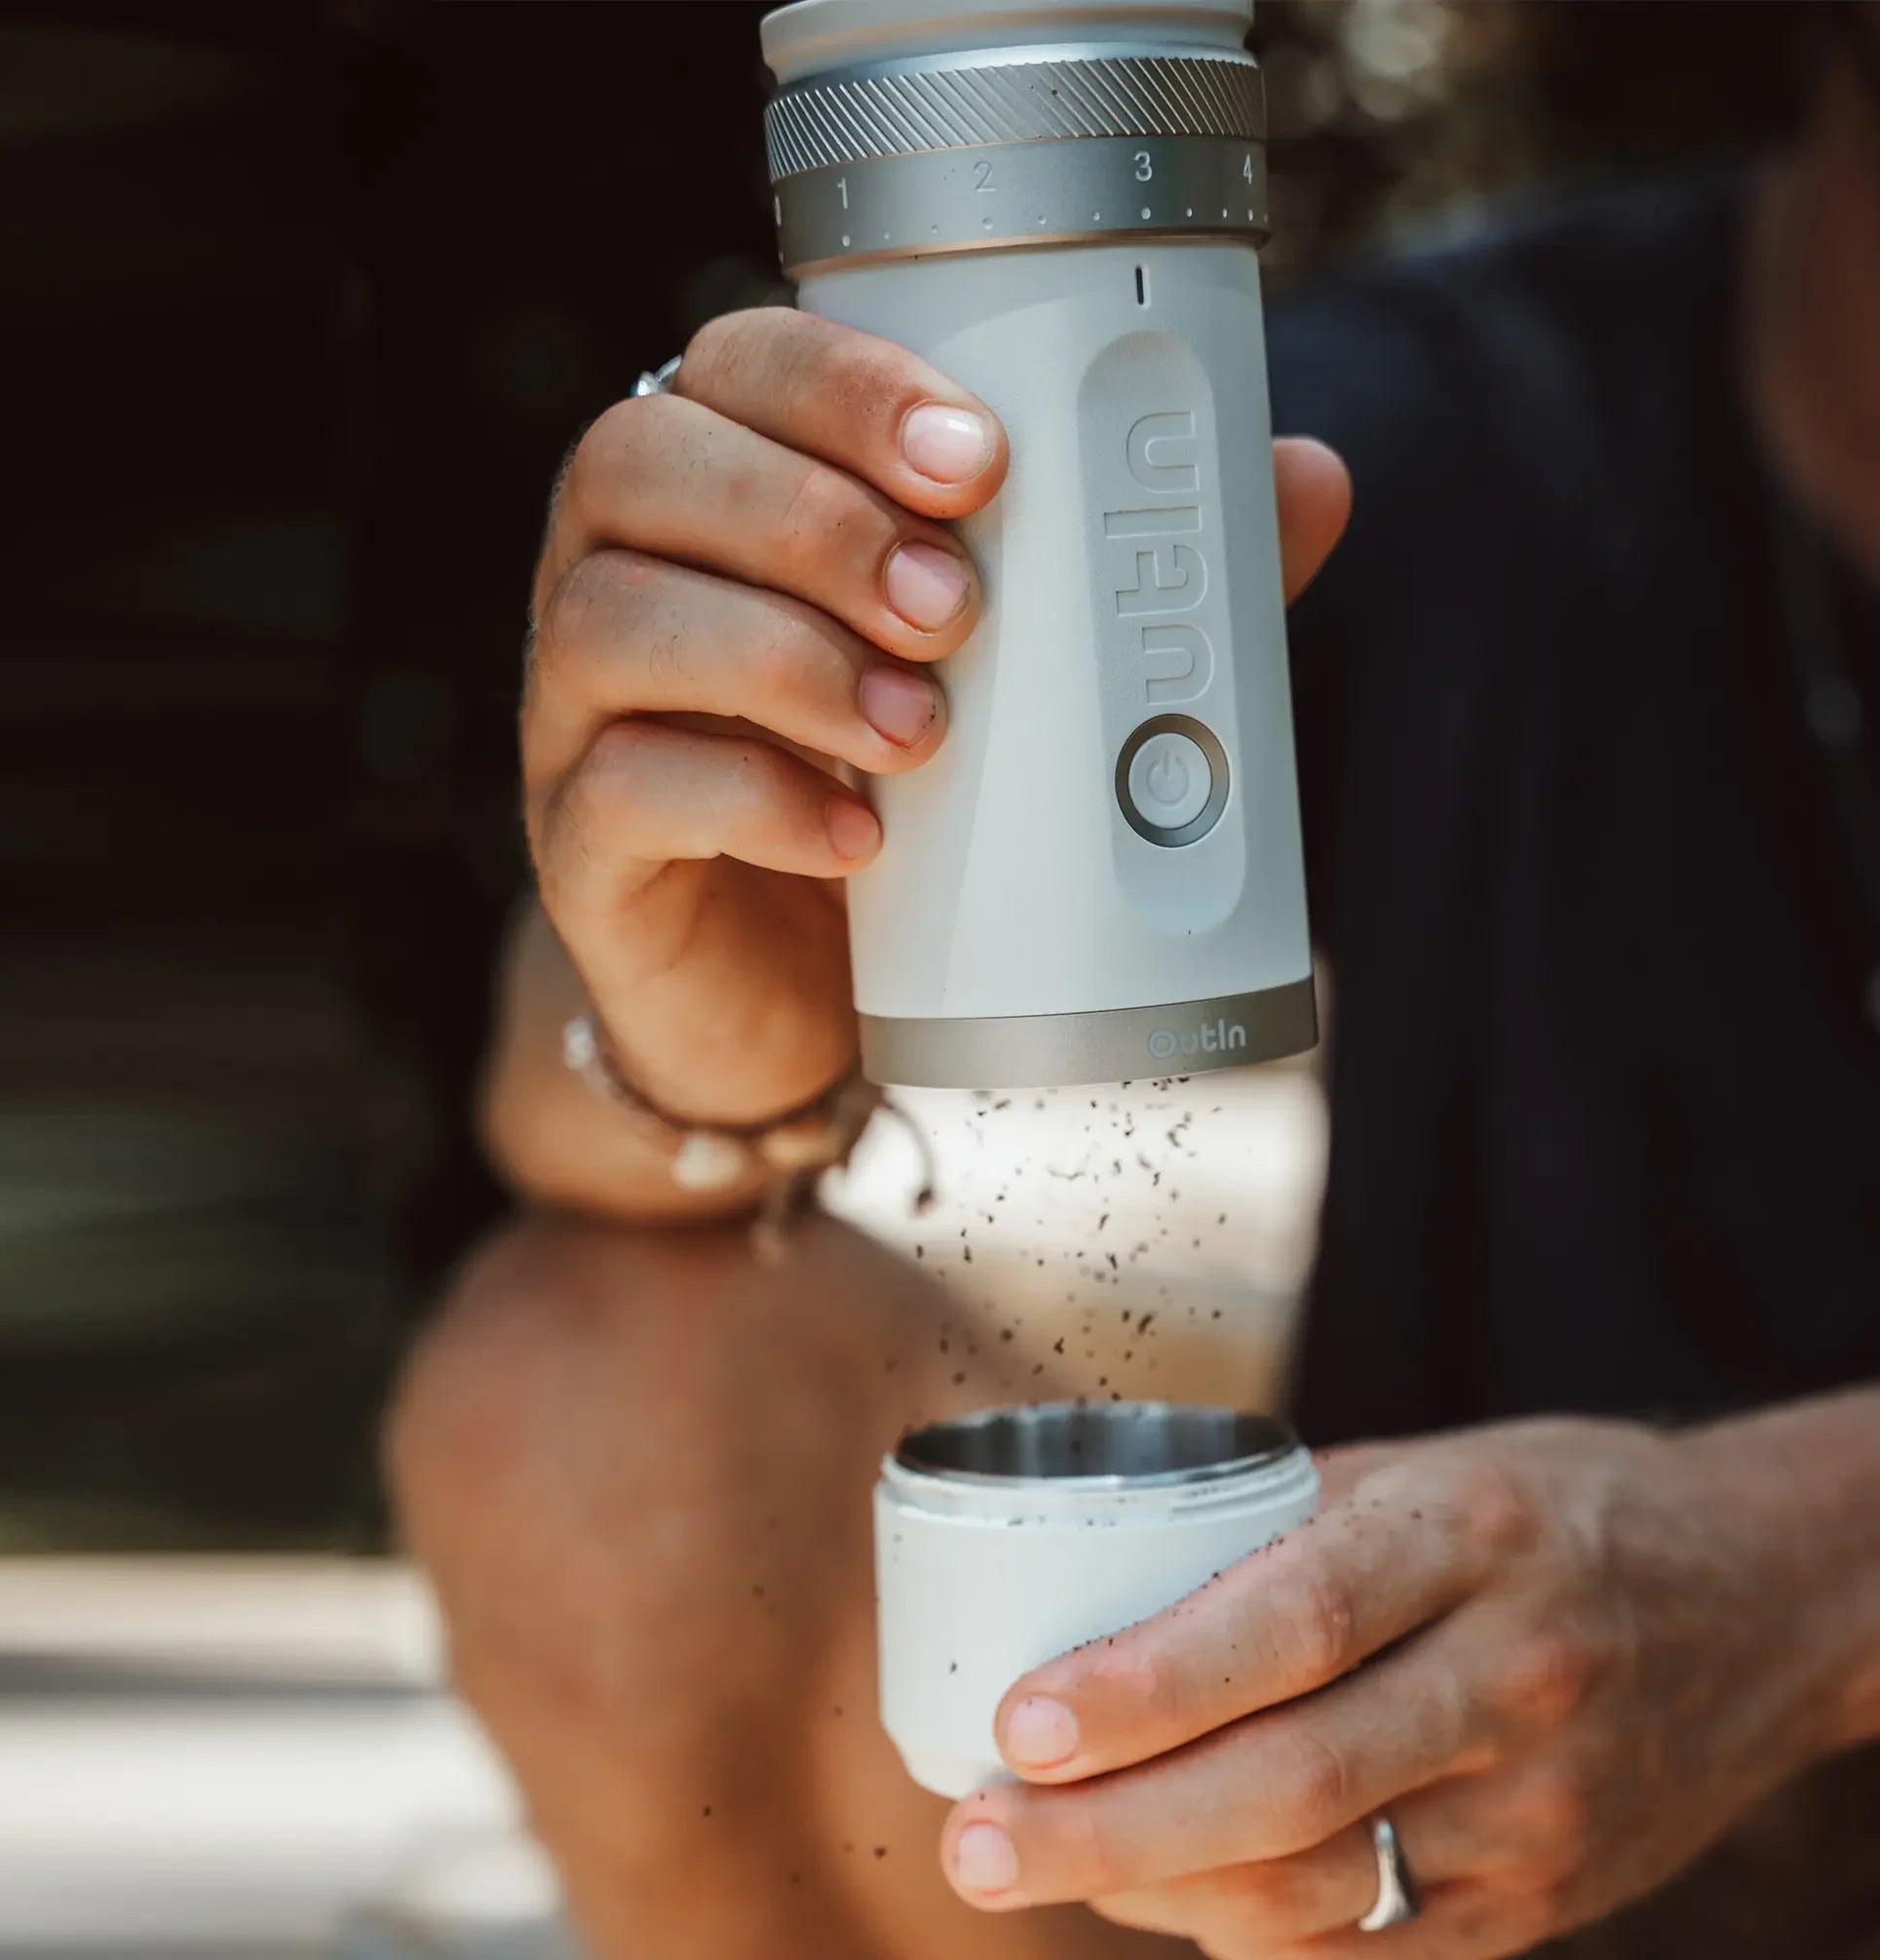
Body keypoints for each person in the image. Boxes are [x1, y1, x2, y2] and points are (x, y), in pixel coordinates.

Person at [385, 9, 1880, 1957]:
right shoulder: (1439, 431)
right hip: (1413, 1851)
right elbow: (553, 1117)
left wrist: (1794, 1577)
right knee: (582, 1388)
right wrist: (709, 1032)